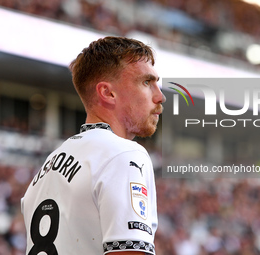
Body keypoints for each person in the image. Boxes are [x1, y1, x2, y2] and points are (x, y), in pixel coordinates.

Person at [21, 36, 165, 255]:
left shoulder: (46, 167)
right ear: (107, 93)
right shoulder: (124, 154)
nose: (160, 96)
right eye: (147, 82)